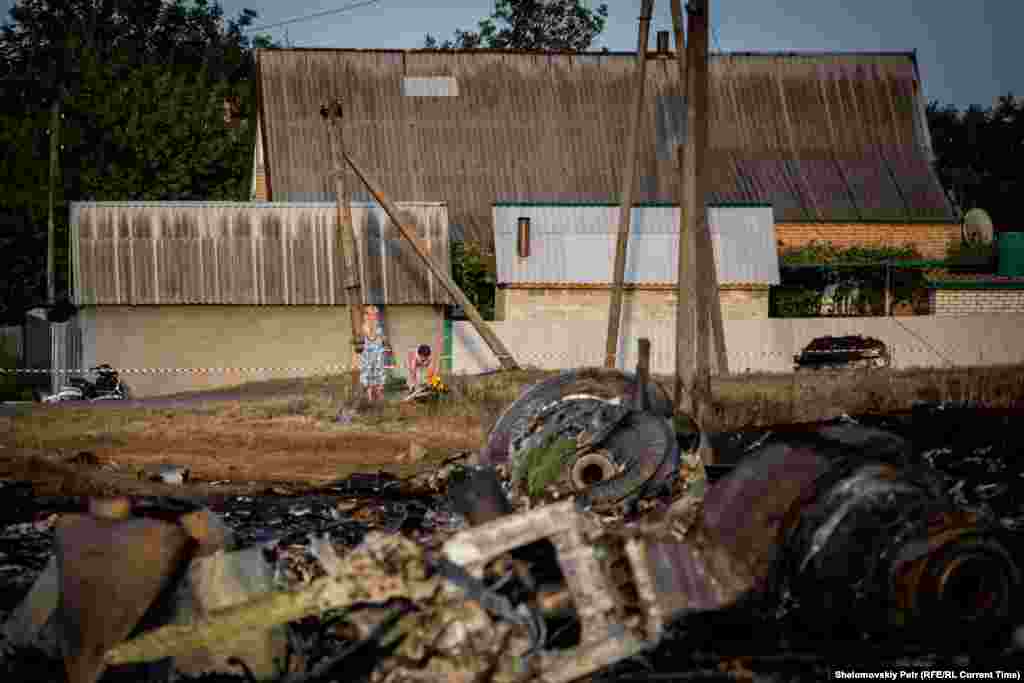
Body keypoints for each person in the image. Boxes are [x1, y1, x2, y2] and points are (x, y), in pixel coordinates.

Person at [354, 306, 392, 401]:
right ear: (367, 315)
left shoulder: (378, 326)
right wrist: (376, 330)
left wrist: (385, 342)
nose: (375, 316)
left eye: (376, 314)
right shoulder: (364, 326)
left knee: (379, 374)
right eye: (372, 314)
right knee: (368, 375)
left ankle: (379, 395)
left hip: (378, 353)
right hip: (368, 354)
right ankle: (369, 397)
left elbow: (383, 338)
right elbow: (371, 337)